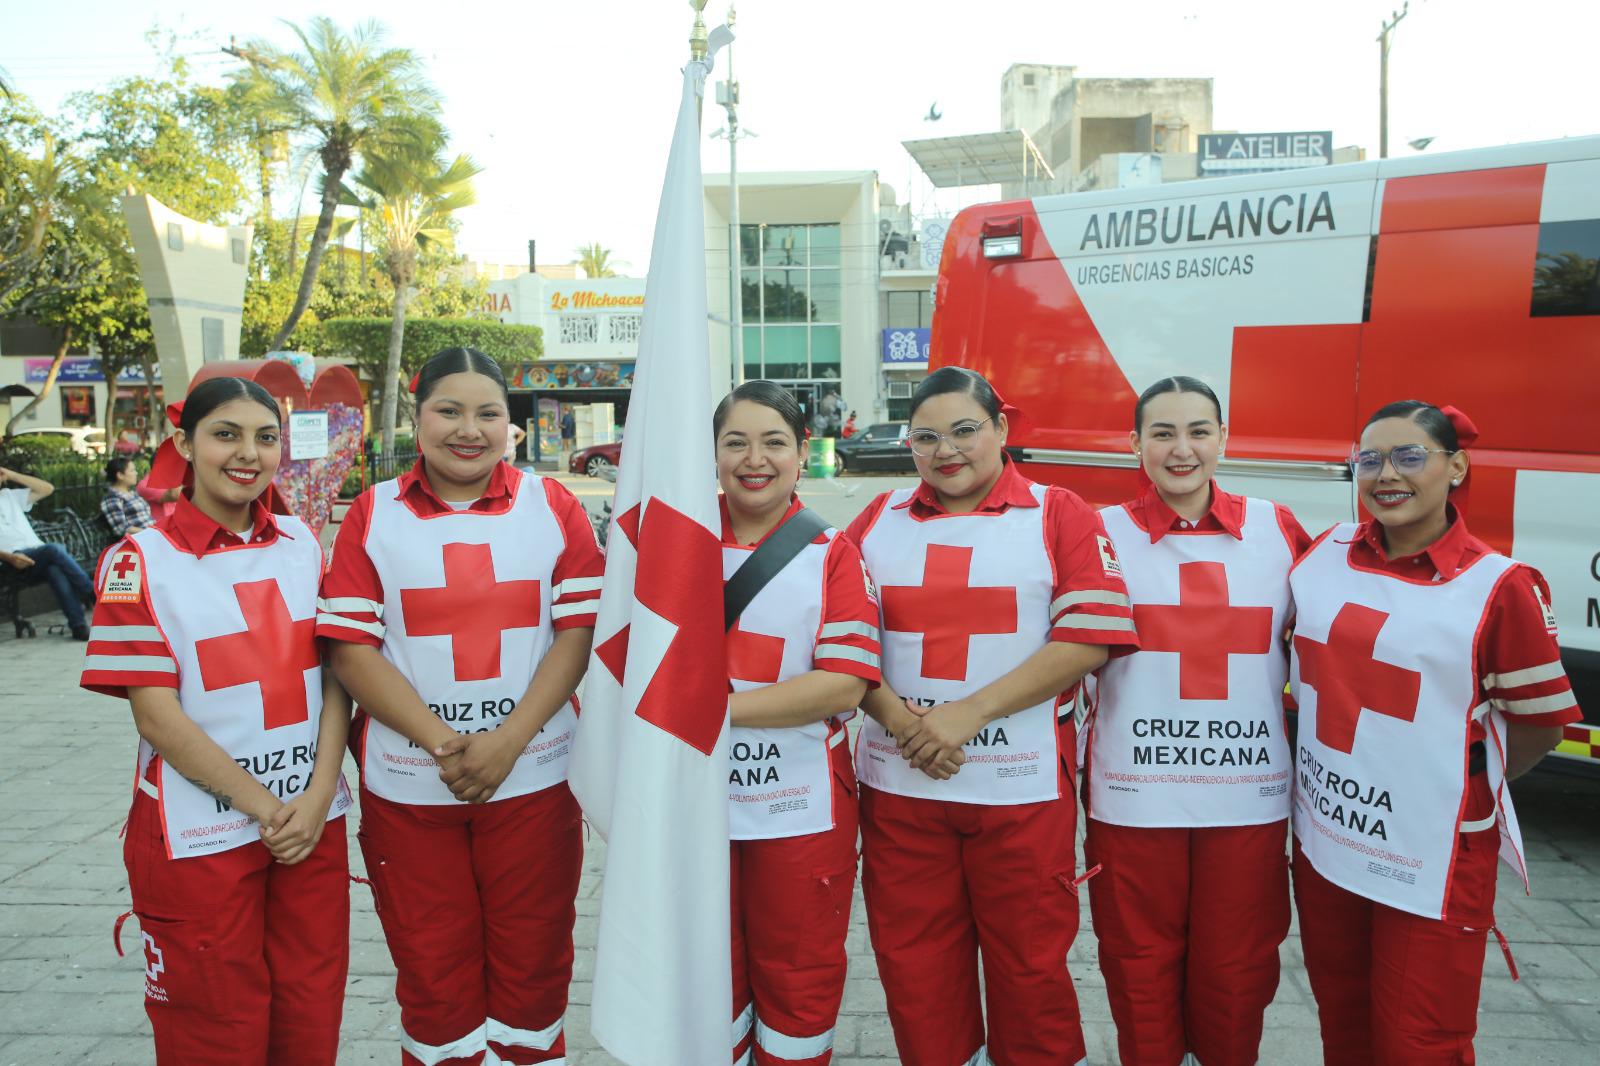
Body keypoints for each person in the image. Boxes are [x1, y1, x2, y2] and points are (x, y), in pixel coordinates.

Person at [844, 366, 1139, 1066]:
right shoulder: (876, 519)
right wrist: (909, 725)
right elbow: (837, 637)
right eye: (926, 437)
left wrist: (963, 717)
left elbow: (1089, 638)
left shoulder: (1057, 511)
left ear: (1002, 430)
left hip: (1021, 792)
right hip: (901, 788)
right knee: (914, 968)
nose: (947, 450)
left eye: (965, 430)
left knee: (1030, 968)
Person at [318, 346, 604, 1066]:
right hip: (411, 789)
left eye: (489, 413)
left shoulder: (554, 506)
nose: (468, 429)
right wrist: (447, 744)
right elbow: (351, 650)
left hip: (535, 778)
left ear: (512, 425)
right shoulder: (373, 515)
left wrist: (508, 742)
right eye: (449, 410)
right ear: (418, 419)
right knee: (433, 976)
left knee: (535, 972)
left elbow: (578, 633)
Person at [1289, 400, 1581, 1065]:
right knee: (1343, 1018)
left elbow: (1538, 727)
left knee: (1421, 1041)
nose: (1387, 474)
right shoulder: (1324, 554)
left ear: (1457, 466)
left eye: (1410, 456)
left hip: (1432, 857)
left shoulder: (1499, 585)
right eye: (1370, 459)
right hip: (1328, 843)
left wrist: (1457, 783)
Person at [79, 375, 354, 1065]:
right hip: (198, 835)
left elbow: (338, 675)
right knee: (213, 1032)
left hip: (310, 823)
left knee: (311, 1016)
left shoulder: (302, 544)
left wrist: (319, 794)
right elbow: (157, 717)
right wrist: (266, 807)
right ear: (184, 442)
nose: (248, 453)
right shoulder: (141, 561)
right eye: (225, 434)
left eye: (265, 438)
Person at [1084, 376, 1311, 1066]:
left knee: (1237, 965)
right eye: (1162, 433)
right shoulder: (1100, 533)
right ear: (1134, 445)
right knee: (1135, 957)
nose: (1182, 449)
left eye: (1199, 431)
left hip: (1246, 795)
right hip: (1132, 793)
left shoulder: (1278, 529)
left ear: (1223, 438)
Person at [714, 381, 883, 1066]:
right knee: (704, 974)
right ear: (714, 453)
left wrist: (706, 713)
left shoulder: (834, 552)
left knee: (799, 977)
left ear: (802, 450)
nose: (755, 458)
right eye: (735, 442)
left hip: (799, 806)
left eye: (774, 441)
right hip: (691, 802)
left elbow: (843, 682)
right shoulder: (671, 546)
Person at [0, 464, 95, 640]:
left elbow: (47, 488)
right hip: (10, 562)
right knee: (53, 550)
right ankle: (90, 591)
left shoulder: (8, 497)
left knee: (54, 569)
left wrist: (12, 475)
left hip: (36, 555)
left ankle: (79, 626)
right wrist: (8, 557)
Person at [102, 456, 156, 536]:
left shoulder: (132, 493)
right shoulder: (112, 498)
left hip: (153, 534)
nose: (136, 473)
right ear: (120, 475)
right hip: (141, 540)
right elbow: (121, 528)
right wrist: (151, 533)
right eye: (132, 471)